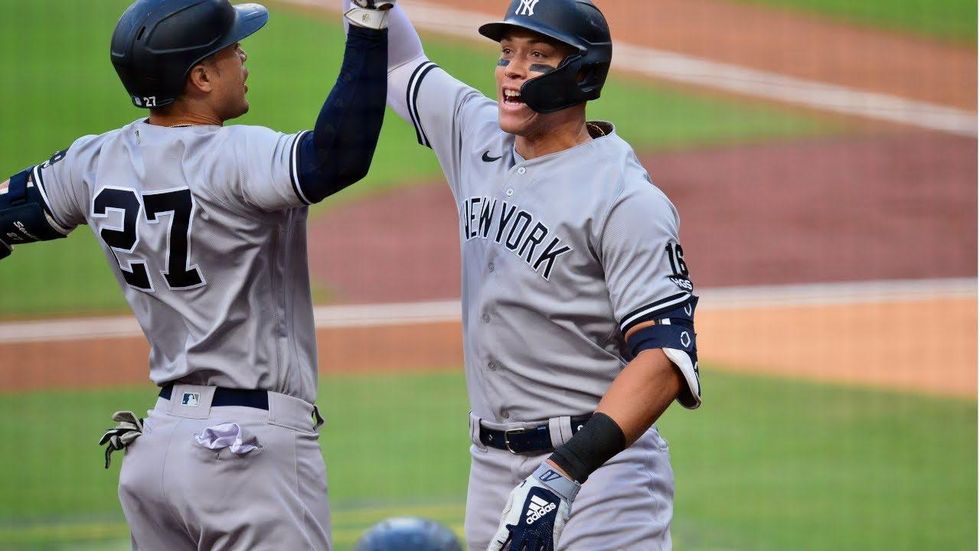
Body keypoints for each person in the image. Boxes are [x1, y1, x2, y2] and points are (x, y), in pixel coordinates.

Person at [0, 0, 395, 548]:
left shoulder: (91, 162)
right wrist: (368, 25)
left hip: (158, 450)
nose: (243, 56)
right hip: (245, 453)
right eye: (232, 48)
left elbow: (8, 214)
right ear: (201, 76)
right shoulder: (234, 156)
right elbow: (336, 158)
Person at [344, 0, 703, 548]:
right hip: (490, 467)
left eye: (537, 57)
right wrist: (368, 8)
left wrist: (563, 474)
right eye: (506, 53)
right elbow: (399, 66)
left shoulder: (624, 199)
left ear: (581, 75)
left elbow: (665, 359)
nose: (511, 70)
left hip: (601, 473)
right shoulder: (476, 133)